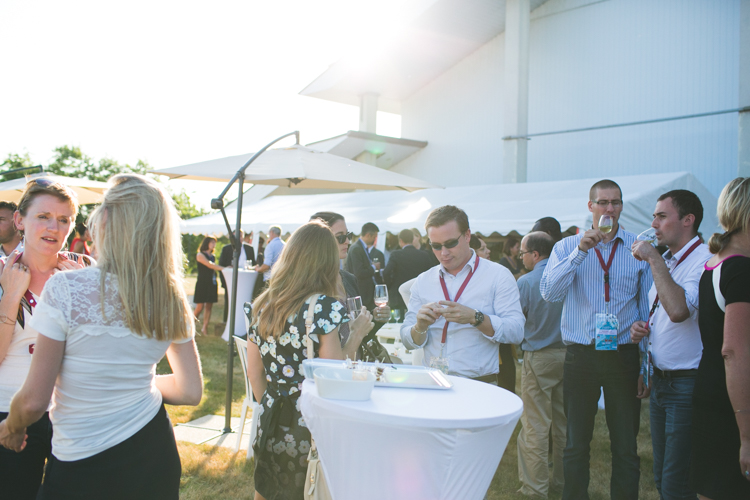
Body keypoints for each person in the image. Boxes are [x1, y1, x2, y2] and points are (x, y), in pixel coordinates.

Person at [0, 174, 202, 500]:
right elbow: (190, 391)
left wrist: (11, 427)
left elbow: (35, 401)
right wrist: (128, 381)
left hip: (81, 456)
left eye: (64, 219)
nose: (54, 226)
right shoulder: (171, 295)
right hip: (153, 450)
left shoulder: (67, 286)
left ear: (104, 219)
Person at [540, 179, 652, 500]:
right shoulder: (566, 246)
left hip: (623, 354)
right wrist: (579, 252)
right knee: (576, 443)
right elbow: (549, 293)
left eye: (615, 202)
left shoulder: (636, 247)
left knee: (626, 446)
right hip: (581, 356)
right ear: (590, 207)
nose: (609, 209)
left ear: (620, 206)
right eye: (602, 202)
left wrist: (645, 363)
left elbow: (645, 311)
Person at [246, 220, 372, 500]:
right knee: (307, 490)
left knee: (266, 489)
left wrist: (273, 404)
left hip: (270, 417)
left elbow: (254, 373)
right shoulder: (324, 308)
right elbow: (333, 375)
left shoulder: (262, 304)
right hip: (309, 422)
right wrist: (356, 335)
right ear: (325, 262)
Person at [0, 178, 93, 500]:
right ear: (19, 220)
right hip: (8, 410)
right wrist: (11, 297)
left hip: (70, 410)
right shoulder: (1, 274)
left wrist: (79, 295)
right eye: (43, 216)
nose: (54, 226)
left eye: (64, 219)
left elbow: (96, 349)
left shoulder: (85, 272)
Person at [629, 190, 711, 500]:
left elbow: (678, 311)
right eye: (654, 216)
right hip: (662, 382)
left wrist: (651, 256)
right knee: (663, 478)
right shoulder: (669, 260)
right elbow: (664, 314)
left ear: (688, 220)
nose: (654, 223)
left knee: (677, 482)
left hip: (686, 383)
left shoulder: (701, 261)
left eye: (662, 216)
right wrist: (644, 337)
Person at [400, 205, 524, 382]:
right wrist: (419, 327)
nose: (443, 253)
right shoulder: (423, 281)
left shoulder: (498, 275)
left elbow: (517, 331)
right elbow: (407, 340)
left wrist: (476, 318)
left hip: (479, 384)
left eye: (450, 243)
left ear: (467, 236)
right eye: (435, 246)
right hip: (434, 382)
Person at [689, 177, 750, 499]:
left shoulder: (715, 264)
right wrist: (747, 435)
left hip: (711, 390)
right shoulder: (740, 269)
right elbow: (735, 352)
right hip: (733, 402)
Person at [516, 231, 566, 499]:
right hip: (569, 355)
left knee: (535, 426)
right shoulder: (568, 275)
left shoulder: (526, 282)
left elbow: (515, 322)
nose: (520, 256)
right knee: (564, 426)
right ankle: (562, 484)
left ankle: (535, 490)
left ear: (535, 254)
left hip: (539, 356)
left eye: (523, 252)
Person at [309, 211, 388, 346]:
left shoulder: (348, 279)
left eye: (348, 235)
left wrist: (375, 319)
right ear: (320, 239)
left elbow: (361, 338)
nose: (347, 241)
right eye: (340, 237)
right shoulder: (309, 283)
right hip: (327, 364)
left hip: (353, 364)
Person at [384, 229, 435, 320]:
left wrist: (391, 286)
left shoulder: (396, 254)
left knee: (398, 324)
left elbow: (386, 273)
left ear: (400, 241)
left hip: (398, 298)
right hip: (419, 298)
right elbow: (430, 275)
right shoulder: (424, 255)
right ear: (412, 240)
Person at [218, 230, 256, 322]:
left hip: (245, 280)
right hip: (231, 279)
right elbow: (221, 265)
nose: (238, 238)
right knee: (229, 300)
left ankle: (244, 320)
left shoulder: (249, 248)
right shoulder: (226, 249)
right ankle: (227, 320)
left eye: (240, 236)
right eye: (236, 236)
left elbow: (253, 264)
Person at [345, 222, 381, 311]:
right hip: (362, 294)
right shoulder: (357, 249)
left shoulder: (361, 248)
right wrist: (373, 267)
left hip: (365, 294)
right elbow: (359, 272)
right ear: (368, 235)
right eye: (374, 237)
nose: (375, 239)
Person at [193, 236, 225, 335]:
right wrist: (224, 268)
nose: (213, 245)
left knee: (209, 306)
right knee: (200, 306)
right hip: (203, 283)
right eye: (212, 242)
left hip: (212, 283)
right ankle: (191, 326)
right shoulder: (200, 255)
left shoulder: (213, 256)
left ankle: (204, 327)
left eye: (214, 243)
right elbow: (210, 265)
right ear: (206, 243)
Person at [254, 225, 284, 297]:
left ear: (271, 232)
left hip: (270, 278)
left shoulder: (271, 245)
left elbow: (266, 265)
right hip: (282, 277)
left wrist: (258, 269)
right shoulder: (285, 244)